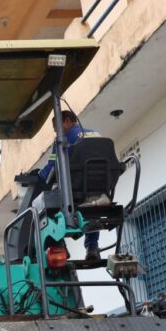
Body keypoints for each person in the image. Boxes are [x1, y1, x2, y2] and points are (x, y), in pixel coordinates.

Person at [39, 109, 104, 261]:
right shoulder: (96, 134)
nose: (57, 133)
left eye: (57, 128)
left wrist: (39, 176)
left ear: (67, 121)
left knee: (44, 205)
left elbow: (52, 167)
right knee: (91, 213)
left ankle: (60, 246)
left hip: (76, 192)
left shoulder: (63, 140)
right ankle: (92, 247)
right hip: (99, 191)